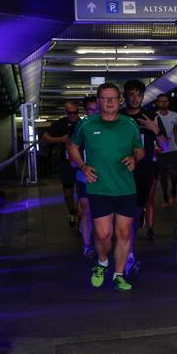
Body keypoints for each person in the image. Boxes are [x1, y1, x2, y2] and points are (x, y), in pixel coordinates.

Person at [67, 83, 144, 291]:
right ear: (99, 101)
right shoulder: (87, 125)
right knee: (102, 234)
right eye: (104, 98)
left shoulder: (130, 124)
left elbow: (140, 149)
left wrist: (134, 157)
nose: (109, 102)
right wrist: (82, 166)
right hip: (99, 188)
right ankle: (102, 263)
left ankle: (118, 275)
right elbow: (72, 146)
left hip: (126, 188)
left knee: (125, 233)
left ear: (120, 101)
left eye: (113, 98)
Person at [123, 80, 167, 248]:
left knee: (140, 205)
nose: (135, 99)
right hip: (122, 170)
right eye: (131, 94)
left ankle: (138, 232)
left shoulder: (150, 117)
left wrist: (154, 129)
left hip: (144, 170)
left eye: (139, 95)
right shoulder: (118, 117)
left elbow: (164, 145)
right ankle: (127, 247)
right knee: (124, 209)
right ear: (125, 96)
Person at [41, 99, 82, 229]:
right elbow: (45, 137)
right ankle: (72, 212)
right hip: (65, 163)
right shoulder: (60, 124)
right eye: (70, 113)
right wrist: (62, 139)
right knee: (68, 193)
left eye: (75, 113)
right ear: (66, 112)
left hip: (82, 162)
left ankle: (82, 217)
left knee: (82, 193)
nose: (73, 115)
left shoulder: (83, 123)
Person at [76, 97, 100, 259]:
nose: (94, 113)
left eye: (96, 109)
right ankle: (87, 245)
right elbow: (72, 151)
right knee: (87, 210)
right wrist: (83, 166)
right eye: (90, 109)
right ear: (86, 111)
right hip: (85, 176)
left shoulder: (112, 125)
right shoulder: (81, 128)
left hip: (108, 177)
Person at [153, 93, 177, 208]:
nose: (163, 103)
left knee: (175, 174)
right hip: (160, 151)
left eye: (165, 101)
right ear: (157, 103)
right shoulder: (154, 116)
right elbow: (152, 134)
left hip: (172, 150)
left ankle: (174, 190)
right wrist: (154, 148)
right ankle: (165, 197)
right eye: (160, 101)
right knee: (163, 175)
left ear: (168, 102)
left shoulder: (174, 115)